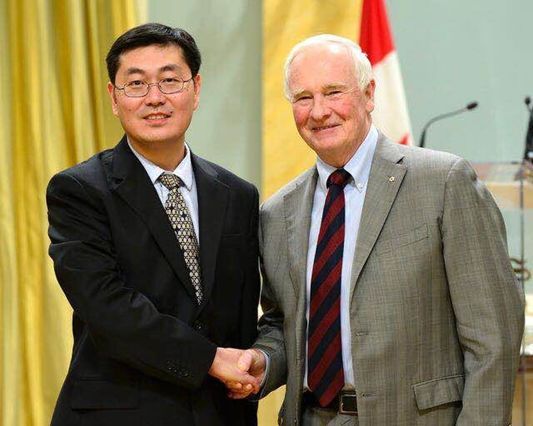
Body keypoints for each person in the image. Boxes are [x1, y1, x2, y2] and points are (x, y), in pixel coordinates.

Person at [230, 34, 524, 425]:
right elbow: (283, 324)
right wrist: (264, 361)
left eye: (333, 92)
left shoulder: (442, 182)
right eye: (303, 98)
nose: (319, 111)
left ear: (369, 94)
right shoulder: (277, 212)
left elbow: (493, 337)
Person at [46, 23, 260, 426]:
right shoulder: (78, 191)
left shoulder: (237, 194)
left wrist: (249, 368)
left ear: (196, 88)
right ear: (114, 98)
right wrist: (208, 359)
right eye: (136, 84)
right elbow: (107, 307)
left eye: (170, 80)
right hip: (118, 414)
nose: (155, 98)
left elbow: (242, 316)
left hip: (218, 413)